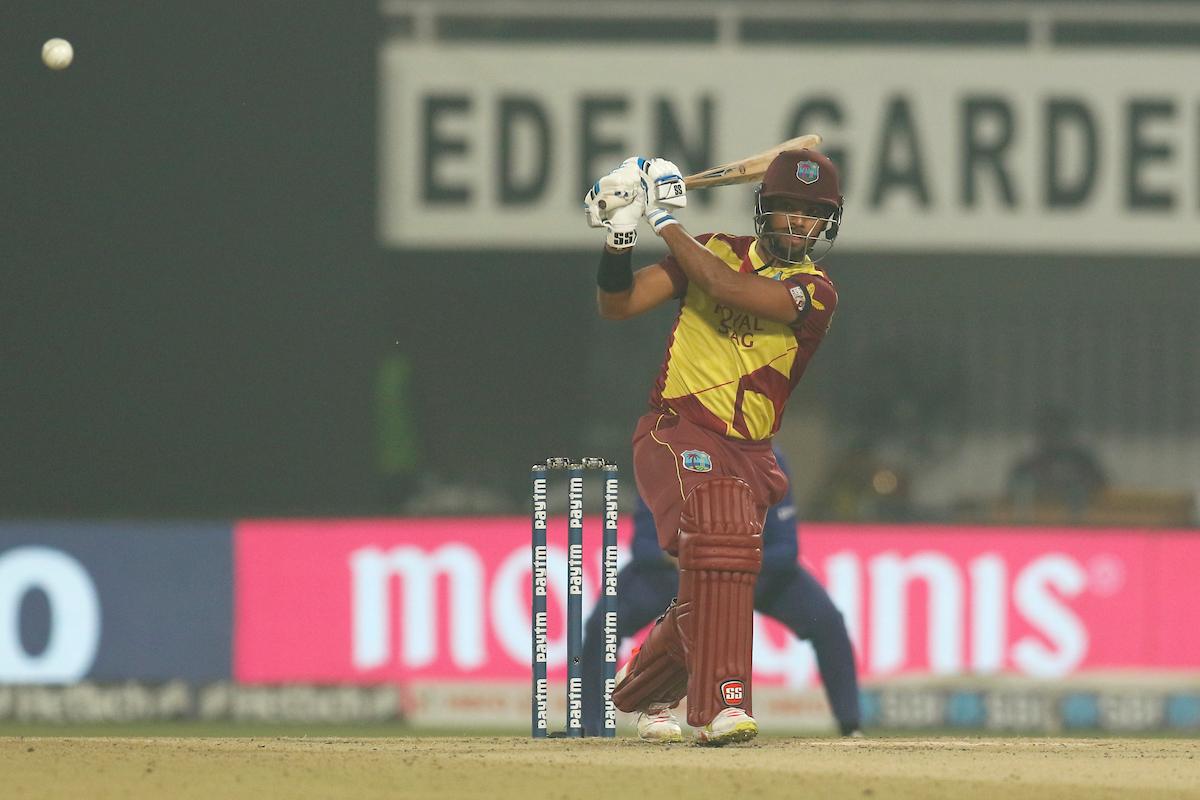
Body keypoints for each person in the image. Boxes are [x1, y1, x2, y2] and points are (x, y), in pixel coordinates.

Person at [584, 149, 843, 744]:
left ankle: (647, 692)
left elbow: (727, 288)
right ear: (764, 211)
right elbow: (616, 304)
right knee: (720, 535)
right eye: (787, 210)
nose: (799, 224)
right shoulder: (710, 249)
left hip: (752, 453)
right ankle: (724, 706)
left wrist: (662, 218)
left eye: (812, 214)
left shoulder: (816, 291)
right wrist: (621, 235)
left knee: (716, 579)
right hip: (675, 430)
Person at [580, 447, 861, 740]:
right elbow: (645, 546)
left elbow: (786, 549)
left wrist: (730, 563)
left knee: (828, 623)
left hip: (752, 576)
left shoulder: (767, 459)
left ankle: (851, 726)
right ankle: (591, 725)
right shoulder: (665, 456)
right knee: (602, 626)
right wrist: (698, 563)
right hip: (673, 575)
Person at [1006, 405, 1107, 518]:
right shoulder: (1028, 464)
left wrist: (1075, 487)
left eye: (1058, 430)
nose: (1053, 436)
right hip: (1037, 524)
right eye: (1047, 430)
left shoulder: (1082, 461)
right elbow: (1011, 494)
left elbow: (1103, 490)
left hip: (1080, 524)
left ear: (1068, 432)